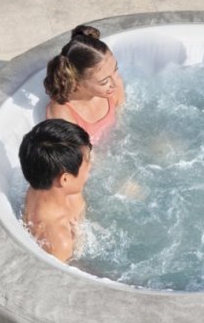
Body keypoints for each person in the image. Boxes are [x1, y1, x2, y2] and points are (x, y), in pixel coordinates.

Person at [18, 119, 93, 263]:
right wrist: (78, 243)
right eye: (87, 162)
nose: (91, 166)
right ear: (65, 179)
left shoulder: (42, 177)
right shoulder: (58, 242)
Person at [43, 25, 125, 141]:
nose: (115, 83)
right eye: (104, 81)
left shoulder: (113, 87)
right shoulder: (62, 114)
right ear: (77, 82)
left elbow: (123, 119)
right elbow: (80, 152)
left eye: (115, 70)